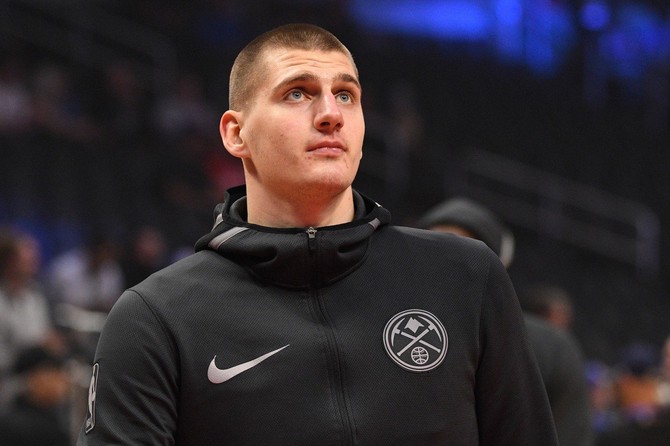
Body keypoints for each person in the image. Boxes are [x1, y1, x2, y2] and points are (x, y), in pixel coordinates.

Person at [76, 23, 557, 445]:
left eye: (346, 95)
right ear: (236, 134)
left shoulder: (466, 276)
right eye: (297, 93)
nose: (331, 114)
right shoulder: (156, 318)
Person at [418, 197, 593, 446]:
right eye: (432, 248)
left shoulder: (550, 348)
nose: (444, 263)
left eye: (461, 251)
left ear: (496, 265)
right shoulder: (391, 334)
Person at [0, 345, 72, 446]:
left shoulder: (52, 418)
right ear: (30, 379)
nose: (60, 379)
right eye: (49, 372)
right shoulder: (15, 426)